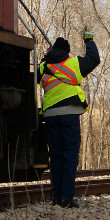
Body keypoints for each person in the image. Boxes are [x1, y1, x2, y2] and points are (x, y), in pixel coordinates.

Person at [38, 29, 99, 208]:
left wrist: (46, 57)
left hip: (50, 116)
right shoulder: (73, 64)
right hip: (69, 115)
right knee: (69, 155)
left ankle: (56, 198)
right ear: (67, 52)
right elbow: (94, 59)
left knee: (55, 157)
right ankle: (67, 198)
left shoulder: (43, 66)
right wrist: (89, 40)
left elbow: (39, 68)